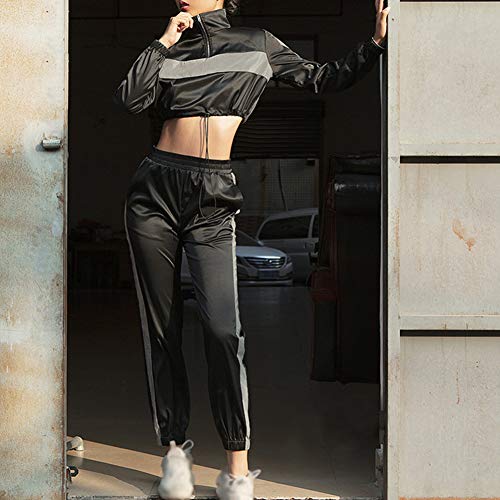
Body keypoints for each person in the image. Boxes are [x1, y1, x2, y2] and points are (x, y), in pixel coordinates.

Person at [113, 0, 389, 498]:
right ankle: (174, 456)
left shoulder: (257, 44)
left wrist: (373, 44)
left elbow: (323, 78)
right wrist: (164, 41)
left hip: (212, 195)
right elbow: (130, 99)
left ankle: (236, 469)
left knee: (223, 330)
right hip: (153, 193)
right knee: (161, 330)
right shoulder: (170, 50)